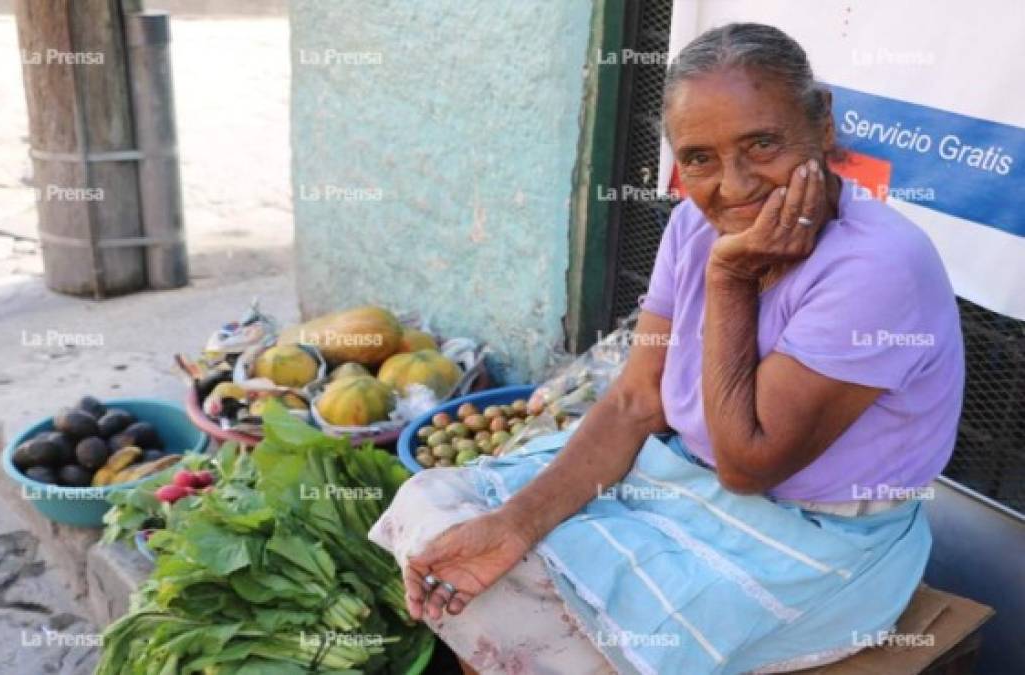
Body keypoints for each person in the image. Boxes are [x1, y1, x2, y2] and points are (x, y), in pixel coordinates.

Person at [370, 22, 964, 675]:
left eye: (761, 144)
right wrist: (517, 523)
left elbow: (747, 465)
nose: (733, 186)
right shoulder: (691, 222)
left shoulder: (876, 267)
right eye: (699, 158)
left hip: (809, 542)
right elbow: (633, 398)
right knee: (440, 514)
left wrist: (730, 279)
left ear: (821, 124)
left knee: (546, 607)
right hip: (680, 477)